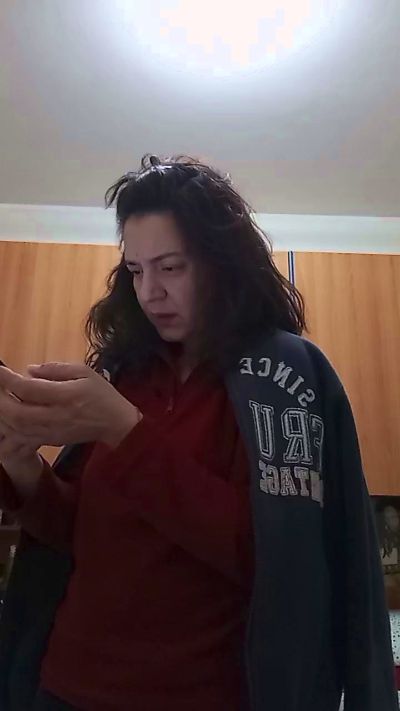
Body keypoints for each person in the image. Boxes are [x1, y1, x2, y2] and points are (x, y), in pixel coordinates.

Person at [0, 155, 396, 711]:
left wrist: (124, 431)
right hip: (65, 688)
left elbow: (276, 555)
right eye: (135, 270)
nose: (150, 292)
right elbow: (80, 536)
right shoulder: (126, 376)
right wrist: (21, 466)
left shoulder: (285, 376)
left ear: (222, 262)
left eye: (170, 267)